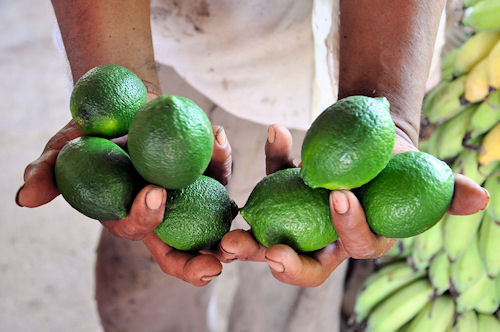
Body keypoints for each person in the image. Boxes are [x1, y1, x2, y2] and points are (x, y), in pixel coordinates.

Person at [16, 1, 489, 331]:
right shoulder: (148, 121)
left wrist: (393, 118)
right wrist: (126, 83)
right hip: (166, 49)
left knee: (290, 294)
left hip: (344, 92)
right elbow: (127, 118)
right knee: (141, 284)